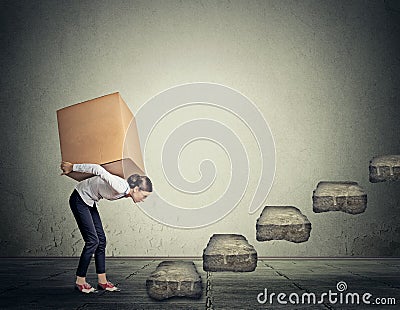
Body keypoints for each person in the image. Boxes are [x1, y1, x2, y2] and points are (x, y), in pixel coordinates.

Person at [60, 161, 152, 293]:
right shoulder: (121, 187)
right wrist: (72, 168)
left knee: (101, 240)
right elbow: (98, 169)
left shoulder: (125, 191)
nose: (143, 199)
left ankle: (102, 281)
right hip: (79, 199)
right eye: (144, 196)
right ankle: (80, 281)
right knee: (92, 241)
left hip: (89, 201)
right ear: (136, 189)